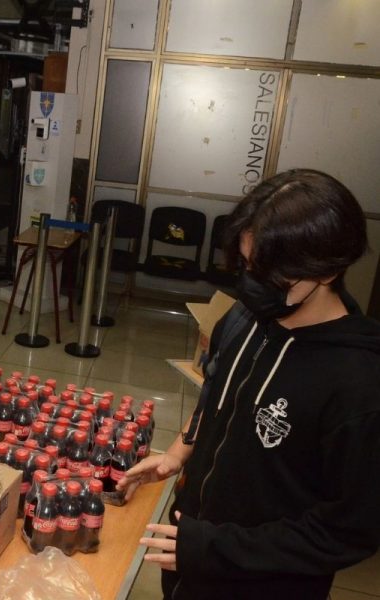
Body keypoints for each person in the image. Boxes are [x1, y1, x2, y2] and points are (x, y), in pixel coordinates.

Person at [117, 169, 380, 600]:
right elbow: (216, 392)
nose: (254, 283)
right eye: (248, 264)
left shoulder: (358, 384)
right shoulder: (245, 318)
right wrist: (178, 453)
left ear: (327, 270)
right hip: (190, 564)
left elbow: (346, 532)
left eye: (272, 272)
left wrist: (213, 549)